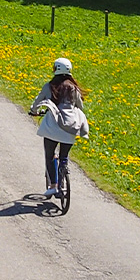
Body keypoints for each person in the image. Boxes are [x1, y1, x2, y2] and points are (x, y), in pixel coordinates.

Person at [29, 57, 89, 197]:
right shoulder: (74, 88)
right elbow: (80, 106)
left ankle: (54, 186)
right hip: (70, 129)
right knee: (64, 156)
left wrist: (34, 112)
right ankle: (63, 169)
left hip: (52, 128)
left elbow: (37, 103)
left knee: (49, 155)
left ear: (55, 69)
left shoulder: (49, 86)